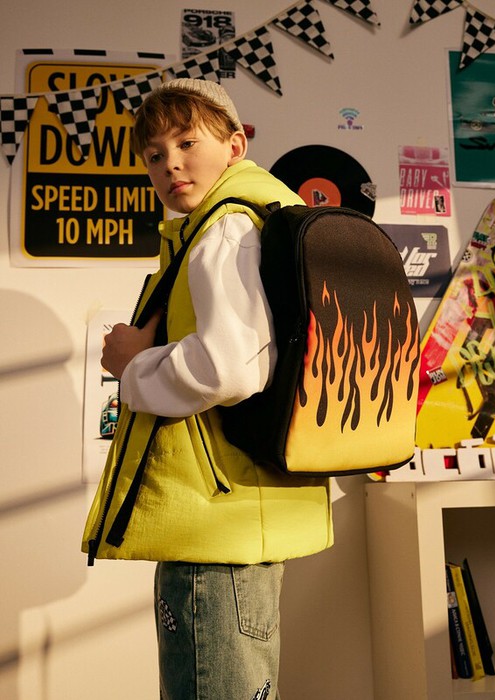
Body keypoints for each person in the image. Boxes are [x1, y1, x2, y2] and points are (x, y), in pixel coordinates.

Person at [82, 78, 333, 700]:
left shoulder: (224, 229)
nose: (170, 164)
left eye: (187, 142)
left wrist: (134, 366)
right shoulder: (262, 217)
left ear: (235, 144)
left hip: (210, 516)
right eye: (154, 155)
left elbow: (230, 367)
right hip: (244, 509)